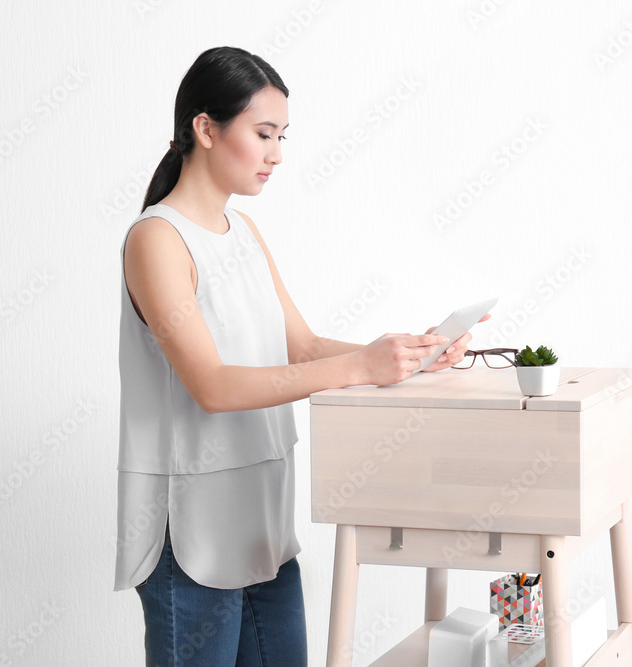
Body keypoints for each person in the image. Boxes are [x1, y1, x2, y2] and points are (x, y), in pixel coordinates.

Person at [113, 46, 487, 666]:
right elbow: (213, 386)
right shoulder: (157, 239)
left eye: (282, 136)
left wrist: (408, 357)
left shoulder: (245, 235)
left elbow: (304, 348)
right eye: (263, 134)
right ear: (205, 129)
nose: (277, 154)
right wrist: (362, 367)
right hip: (191, 530)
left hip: (262, 519)